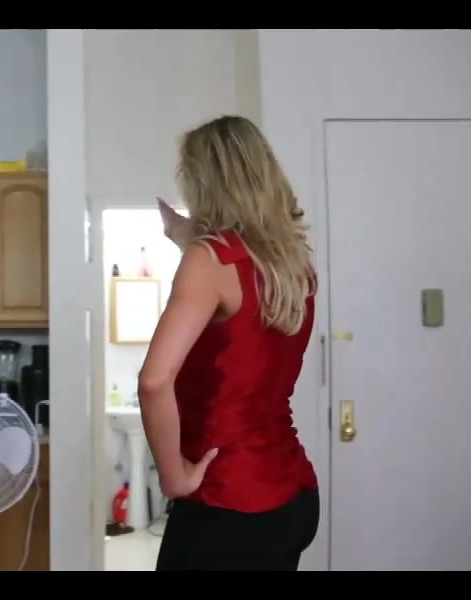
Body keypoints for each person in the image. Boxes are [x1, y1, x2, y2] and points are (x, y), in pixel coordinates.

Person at [138, 115, 319, 571]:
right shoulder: (293, 262)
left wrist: (174, 478)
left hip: (228, 503)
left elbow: (154, 381)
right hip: (291, 494)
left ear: (202, 182)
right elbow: (239, 293)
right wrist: (185, 235)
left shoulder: (208, 259)